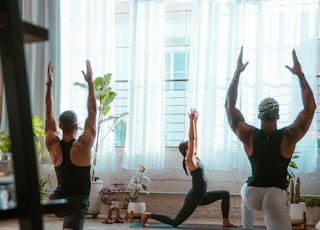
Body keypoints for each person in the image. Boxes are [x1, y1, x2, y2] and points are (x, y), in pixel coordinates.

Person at [225, 47, 316, 230]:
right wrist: (300, 75)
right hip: (274, 196)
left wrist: (236, 74)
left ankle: (247, 227)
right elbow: (310, 109)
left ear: (259, 116)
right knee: (275, 202)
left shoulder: (248, 134)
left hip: (251, 195)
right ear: (278, 116)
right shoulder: (288, 136)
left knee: (245, 189)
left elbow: (229, 106)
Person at [141, 108, 237, 228]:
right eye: (190, 146)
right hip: (193, 198)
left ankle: (226, 221)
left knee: (225, 194)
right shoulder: (190, 160)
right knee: (175, 222)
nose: (193, 146)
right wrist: (191, 121)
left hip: (202, 196)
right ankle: (148, 215)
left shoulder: (195, 157)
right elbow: (192, 139)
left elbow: (194, 140)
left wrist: (195, 122)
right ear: (187, 150)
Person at [45, 60, 97, 230]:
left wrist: (49, 84)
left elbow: (48, 114)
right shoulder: (83, 145)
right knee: (76, 208)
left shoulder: (52, 144)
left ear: (59, 126)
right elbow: (92, 112)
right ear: (77, 126)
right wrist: (90, 83)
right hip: (76, 202)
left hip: (57, 201)